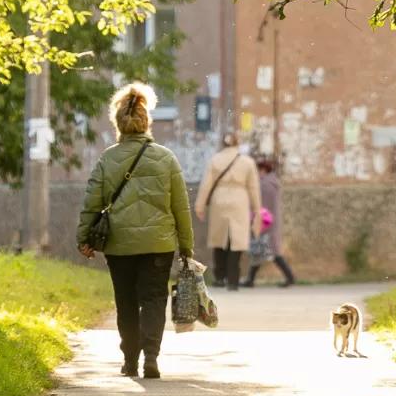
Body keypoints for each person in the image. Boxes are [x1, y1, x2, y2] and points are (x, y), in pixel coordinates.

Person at [76, 83, 194, 380]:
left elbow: (92, 202)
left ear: (118, 124)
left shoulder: (107, 159)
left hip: (120, 245)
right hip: (159, 244)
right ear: (146, 122)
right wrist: (187, 247)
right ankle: (151, 357)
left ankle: (130, 360)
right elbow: (181, 207)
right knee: (154, 299)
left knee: (126, 301)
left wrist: (83, 238)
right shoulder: (166, 158)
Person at [195, 133, 262, 291]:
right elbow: (253, 187)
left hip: (219, 200)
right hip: (240, 200)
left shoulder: (215, 160)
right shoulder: (247, 162)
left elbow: (206, 184)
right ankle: (233, 280)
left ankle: (219, 278)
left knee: (219, 240)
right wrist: (257, 210)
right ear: (237, 144)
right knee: (236, 241)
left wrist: (200, 205)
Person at [241, 159, 296, 288]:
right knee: (261, 251)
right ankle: (251, 280)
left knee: (269, 252)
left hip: (266, 222)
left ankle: (290, 277)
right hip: (269, 221)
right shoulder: (271, 183)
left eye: (257, 171)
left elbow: (259, 204)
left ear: (263, 170)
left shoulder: (265, 185)